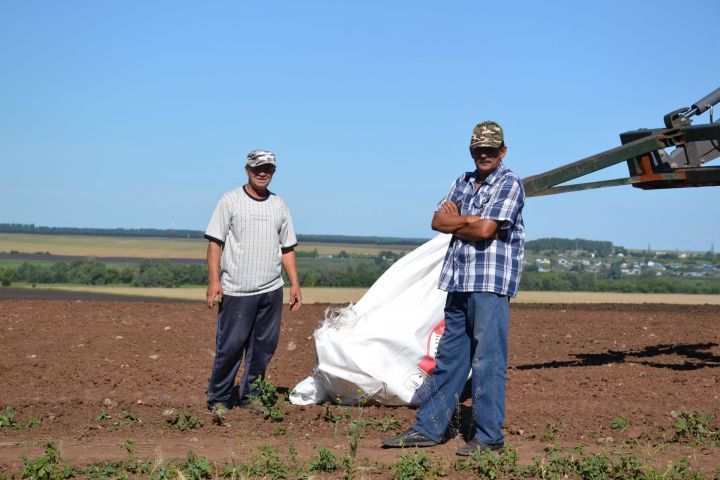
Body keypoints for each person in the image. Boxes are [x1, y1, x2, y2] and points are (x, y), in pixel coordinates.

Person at [382, 121, 525, 456]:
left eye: (491, 149)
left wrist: (462, 218)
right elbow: (437, 222)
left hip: (489, 284)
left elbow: (487, 230)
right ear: (471, 150)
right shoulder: (461, 181)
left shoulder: (510, 182)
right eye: (479, 149)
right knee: (449, 358)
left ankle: (490, 438)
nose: (484, 154)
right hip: (458, 281)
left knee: (487, 360)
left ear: (503, 151)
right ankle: (428, 428)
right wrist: (471, 220)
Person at [204, 149, 302, 414]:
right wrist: (214, 281)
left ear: (273, 172)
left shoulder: (279, 205)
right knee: (230, 346)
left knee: (263, 347)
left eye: (268, 168)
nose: (263, 172)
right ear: (247, 170)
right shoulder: (230, 201)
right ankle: (220, 398)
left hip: (271, 290)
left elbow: (287, 249)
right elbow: (215, 243)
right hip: (237, 289)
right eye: (258, 168)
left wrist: (294, 284)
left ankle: (251, 395)